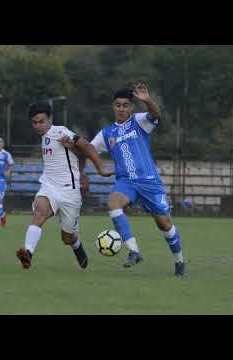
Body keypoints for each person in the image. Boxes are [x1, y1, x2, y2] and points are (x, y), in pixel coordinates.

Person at [62, 81, 186, 276]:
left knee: (164, 224)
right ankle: (134, 251)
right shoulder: (106, 133)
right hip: (126, 182)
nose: (121, 108)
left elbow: (156, 115)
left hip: (149, 181)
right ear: (113, 107)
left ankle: (179, 261)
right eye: (118, 105)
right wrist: (71, 145)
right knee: (113, 204)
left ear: (131, 107)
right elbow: (89, 150)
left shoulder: (139, 121)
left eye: (125, 105)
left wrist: (148, 100)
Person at [16, 102, 113, 269]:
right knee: (41, 210)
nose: (38, 126)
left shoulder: (61, 132)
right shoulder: (45, 137)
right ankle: (28, 253)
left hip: (70, 191)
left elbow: (87, 148)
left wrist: (101, 170)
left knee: (67, 238)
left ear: (50, 119)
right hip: (49, 186)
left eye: (42, 121)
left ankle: (77, 246)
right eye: (35, 122)